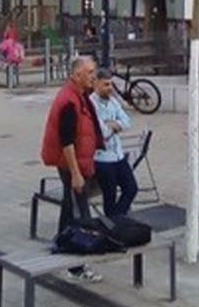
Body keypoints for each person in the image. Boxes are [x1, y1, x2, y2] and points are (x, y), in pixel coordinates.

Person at [40, 56, 103, 284]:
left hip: (77, 163)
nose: (94, 76)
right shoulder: (69, 100)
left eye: (94, 71)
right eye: (90, 72)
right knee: (80, 214)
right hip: (71, 165)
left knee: (69, 209)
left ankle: (60, 247)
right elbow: (66, 141)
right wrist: (76, 174)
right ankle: (76, 266)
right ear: (77, 75)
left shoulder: (79, 95)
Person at [89, 69, 138, 218]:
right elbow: (101, 133)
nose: (110, 88)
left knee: (131, 188)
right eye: (105, 84)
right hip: (102, 158)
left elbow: (127, 122)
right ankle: (114, 221)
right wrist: (114, 126)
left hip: (118, 155)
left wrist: (113, 124)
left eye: (111, 84)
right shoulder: (91, 104)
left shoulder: (113, 101)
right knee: (109, 194)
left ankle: (116, 220)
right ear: (95, 83)